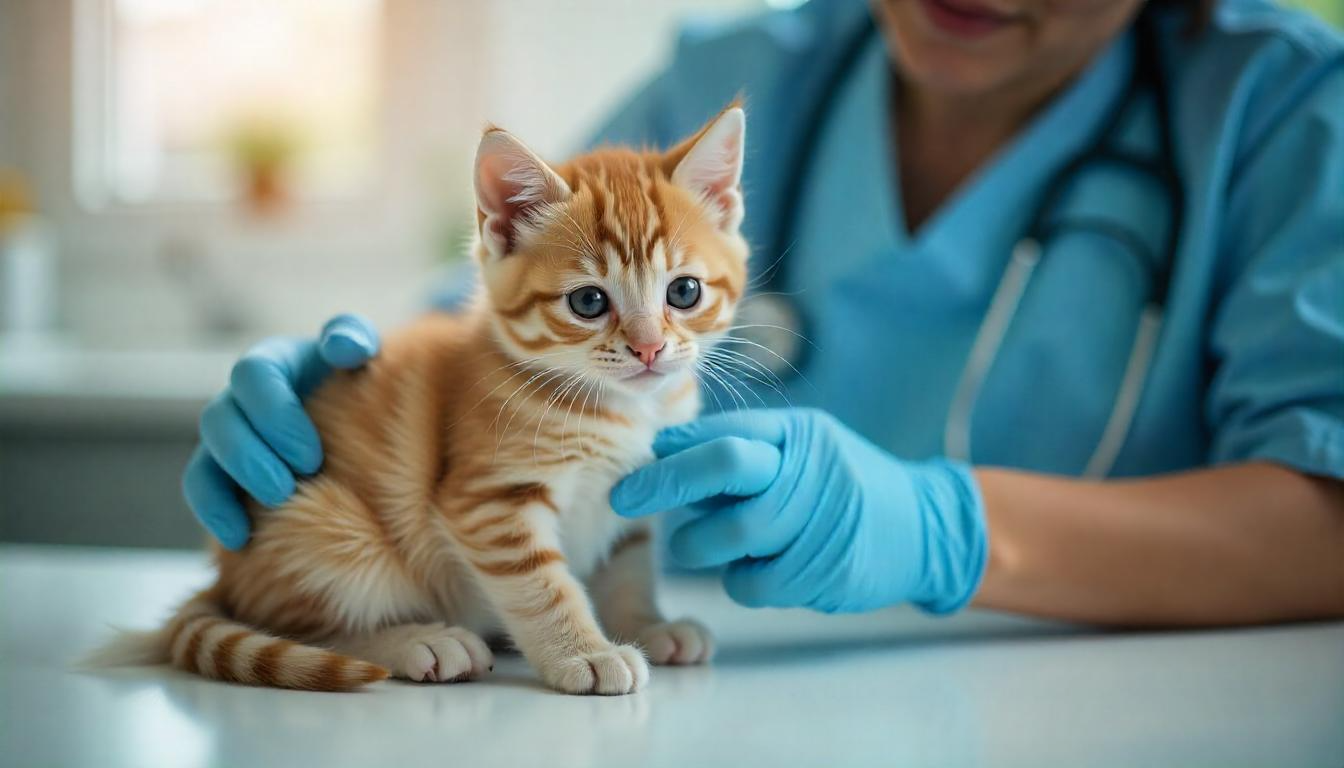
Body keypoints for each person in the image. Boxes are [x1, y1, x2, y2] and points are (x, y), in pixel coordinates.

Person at [184, 0, 1344, 626]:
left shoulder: (1281, 109)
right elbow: (511, 307)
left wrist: (945, 527)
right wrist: (363, 380)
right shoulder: (744, 71)